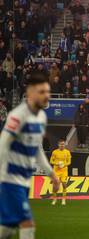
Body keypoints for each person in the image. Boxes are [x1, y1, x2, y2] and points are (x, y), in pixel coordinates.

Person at [0, 72, 60, 239]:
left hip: (25, 181)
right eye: (42, 92)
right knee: (28, 224)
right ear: (30, 93)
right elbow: (2, 145)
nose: (46, 96)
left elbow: (37, 149)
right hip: (10, 179)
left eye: (48, 92)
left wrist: (51, 173)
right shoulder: (17, 116)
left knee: (7, 229)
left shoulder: (41, 117)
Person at [50, 139, 72, 205]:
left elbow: (69, 162)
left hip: (64, 171)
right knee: (55, 186)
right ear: (58, 145)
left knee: (64, 184)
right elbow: (51, 161)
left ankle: (63, 199)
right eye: (60, 144)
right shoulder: (54, 152)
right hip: (56, 171)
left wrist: (64, 165)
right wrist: (57, 164)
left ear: (64, 144)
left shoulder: (67, 152)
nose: (62, 145)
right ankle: (54, 199)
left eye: (63, 144)